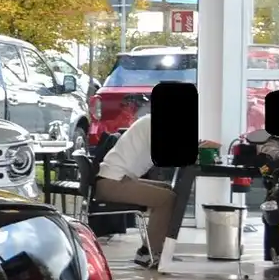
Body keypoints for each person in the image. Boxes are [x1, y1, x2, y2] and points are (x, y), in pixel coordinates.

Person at [93, 113, 217, 268]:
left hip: (116, 179)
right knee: (166, 198)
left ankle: (159, 247)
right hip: (111, 183)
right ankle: (147, 253)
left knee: (167, 190)